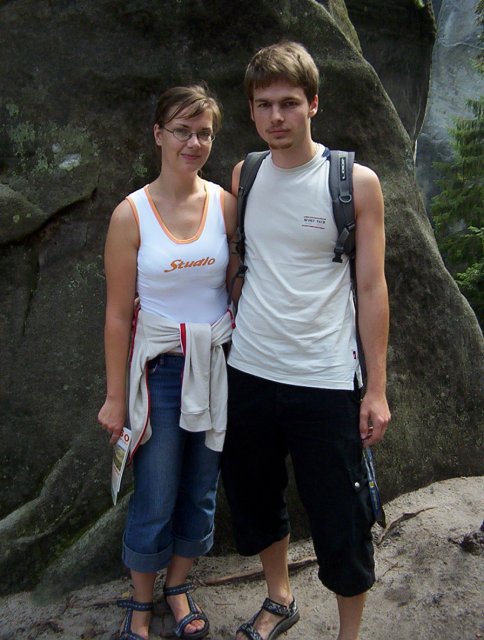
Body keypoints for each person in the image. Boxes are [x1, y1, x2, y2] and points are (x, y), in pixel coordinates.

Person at [222, 41, 391, 640]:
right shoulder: (246, 174)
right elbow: (240, 262)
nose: (277, 117)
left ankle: (349, 633)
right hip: (249, 370)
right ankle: (279, 598)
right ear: (251, 110)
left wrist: (376, 390)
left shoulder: (354, 183)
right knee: (256, 497)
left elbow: (371, 286)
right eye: (264, 104)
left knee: (342, 514)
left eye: (289, 103)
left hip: (324, 378)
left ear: (313, 104)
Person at [97, 84, 236, 640]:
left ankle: (177, 587)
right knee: (155, 492)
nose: (193, 143)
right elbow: (116, 316)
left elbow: (238, 286)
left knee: (201, 489)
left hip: (216, 366)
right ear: (158, 134)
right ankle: (140, 599)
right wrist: (114, 398)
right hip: (158, 373)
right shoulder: (130, 215)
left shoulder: (225, 205)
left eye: (204, 133)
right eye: (182, 130)